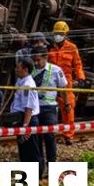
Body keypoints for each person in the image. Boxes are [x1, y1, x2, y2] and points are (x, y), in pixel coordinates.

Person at [31, 46, 67, 174]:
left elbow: (63, 88)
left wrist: (66, 104)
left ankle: (52, 167)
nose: (36, 63)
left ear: (45, 57)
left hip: (49, 108)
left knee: (50, 137)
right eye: (34, 60)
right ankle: (40, 169)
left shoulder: (56, 70)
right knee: (37, 139)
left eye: (38, 60)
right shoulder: (30, 70)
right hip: (34, 109)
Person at [48, 21, 85, 143]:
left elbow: (77, 64)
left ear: (65, 35)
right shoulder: (50, 47)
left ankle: (68, 135)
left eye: (60, 33)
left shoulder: (72, 48)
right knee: (49, 108)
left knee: (68, 107)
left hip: (66, 82)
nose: (57, 36)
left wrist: (81, 78)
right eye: (56, 33)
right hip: (51, 81)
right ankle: (49, 134)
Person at [10, 58, 41, 164]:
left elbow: (28, 108)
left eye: (18, 67)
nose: (16, 69)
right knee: (24, 150)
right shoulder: (21, 81)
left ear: (26, 69)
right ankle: (27, 171)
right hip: (23, 119)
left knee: (31, 151)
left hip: (27, 119)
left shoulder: (27, 85)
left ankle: (37, 172)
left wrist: (25, 126)